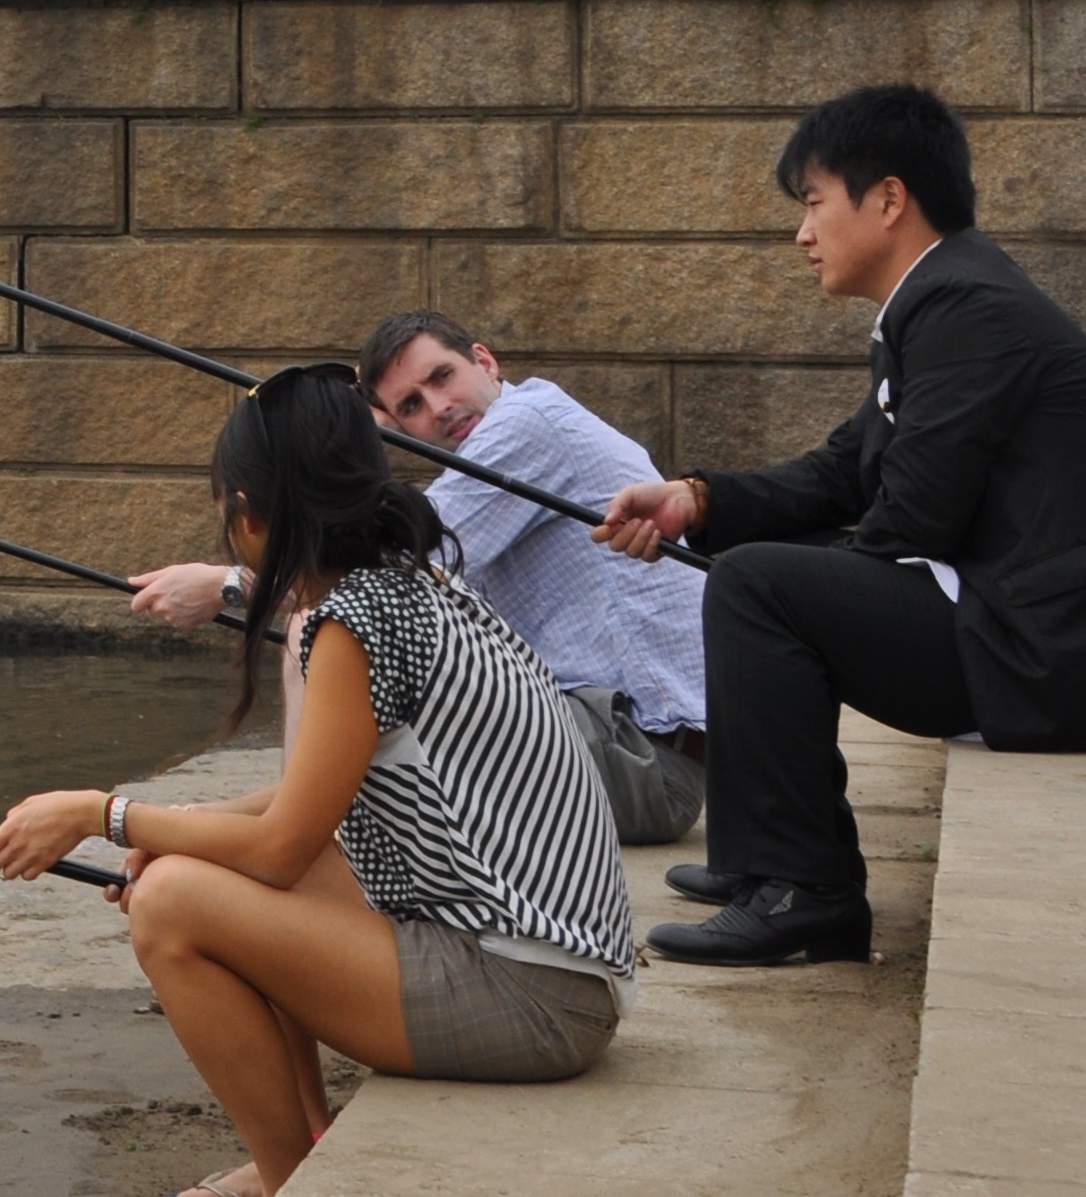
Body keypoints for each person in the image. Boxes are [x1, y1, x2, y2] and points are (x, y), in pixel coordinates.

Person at [0, 367, 636, 1197]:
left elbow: (285, 841)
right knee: (191, 864)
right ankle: (299, 1139)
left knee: (170, 904)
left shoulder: (355, 622)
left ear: (247, 516)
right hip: (552, 974)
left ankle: (289, 1196)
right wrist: (168, 824)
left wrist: (100, 813)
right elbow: (309, 806)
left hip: (531, 1001)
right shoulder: (401, 584)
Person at [596, 83, 1086, 966]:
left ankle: (808, 894)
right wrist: (698, 502)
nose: (803, 233)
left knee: (760, 586)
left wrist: (800, 579)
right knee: (766, 573)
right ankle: (761, 862)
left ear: (889, 198)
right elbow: (843, 471)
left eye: (814, 203)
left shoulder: (966, 309)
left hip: (1073, 652)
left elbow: (915, 514)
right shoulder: (946, 297)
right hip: (1053, 625)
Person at [133, 313, 710, 843]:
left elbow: (374, 570)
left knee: (326, 618)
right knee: (362, 669)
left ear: (485, 362)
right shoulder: (514, 439)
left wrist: (227, 585)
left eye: (443, 377)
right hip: (612, 747)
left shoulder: (527, 425)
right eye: (409, 406)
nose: (438, 407)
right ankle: (254, 819)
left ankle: (289, 832)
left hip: (647, 768)